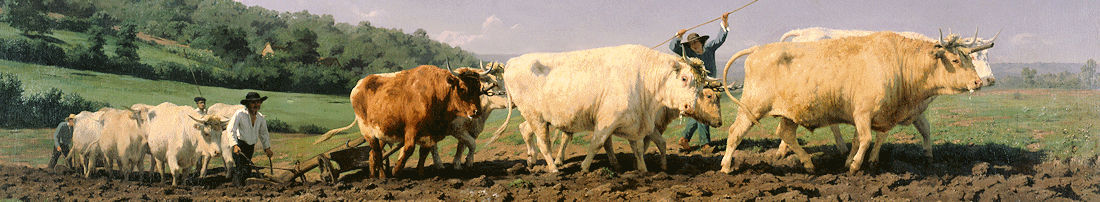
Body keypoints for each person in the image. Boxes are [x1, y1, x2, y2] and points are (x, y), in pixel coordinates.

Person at [670, 13, 730, 149]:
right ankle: (705, 145)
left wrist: (724, 22)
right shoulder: (689, 54)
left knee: (699, 115)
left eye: (696, 42)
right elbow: (673, 47)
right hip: (698, 87)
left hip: (710, 85)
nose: (694, 45)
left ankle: (684, 138)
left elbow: (720, 38)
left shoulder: (709, 49)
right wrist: (678, 36)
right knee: (704, 111)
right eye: (691, 44)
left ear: (701, 42)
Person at [227, 92, 273, 186]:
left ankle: (243, 189)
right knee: (241, 168)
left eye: (258, 102)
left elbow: (263, 133)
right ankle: (238, 189)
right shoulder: (240, 114)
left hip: (250, 147)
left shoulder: (260, 118)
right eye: (253, 103)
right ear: (247, 104)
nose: (256, 105)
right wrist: (235, 145)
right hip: (240, 145)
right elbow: (231, 129)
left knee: (247, 169)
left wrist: (267, 148)